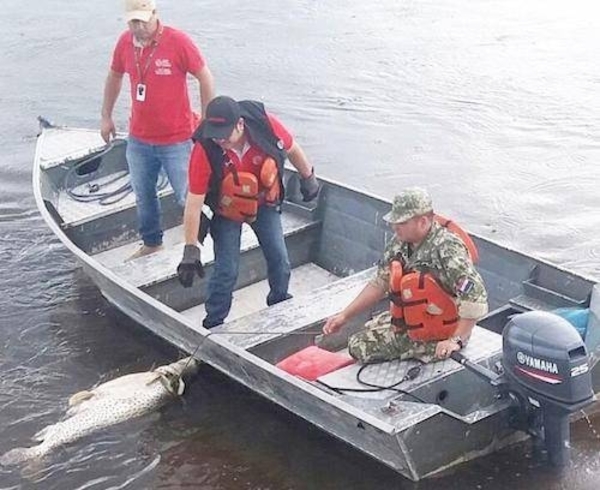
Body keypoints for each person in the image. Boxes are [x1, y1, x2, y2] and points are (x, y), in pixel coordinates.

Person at [176, 95, 320, 328]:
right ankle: (213, 322)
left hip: (264, 204)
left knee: (279, 258)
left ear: (240, 125)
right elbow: (194, 202)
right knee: (227, 270)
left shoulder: (265, 125)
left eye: (225, 135)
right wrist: (190, 249)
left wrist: (308, 177)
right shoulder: (205, 148)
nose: (220, 141)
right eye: (215, 135)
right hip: (226, 211)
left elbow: (292, 148)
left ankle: (279, 302)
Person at [100, 0, 215, 259]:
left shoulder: (177, 41)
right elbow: (114, 76)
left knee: (188, 196)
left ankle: (201, 243)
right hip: (139, 138)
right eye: (133, 22)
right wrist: (106, 116)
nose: (138, 27)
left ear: (155, 14)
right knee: (143, 194)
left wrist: (207, 121)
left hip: (177, 139)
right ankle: (152, 242)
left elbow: (205, 76)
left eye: (142, 20)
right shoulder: (124, 43)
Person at [322, 187, 488, 363]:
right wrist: (344, 315)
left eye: (401, 223)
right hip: (416, 318)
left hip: (444, 330)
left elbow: (475, 297)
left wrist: (455, 340)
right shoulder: (400, 243)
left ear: (423, 221)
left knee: (358, 346)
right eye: (394, 222)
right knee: (370, 327)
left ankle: (427, 348)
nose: (395, 227)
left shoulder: (447, 249)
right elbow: (381, 282)